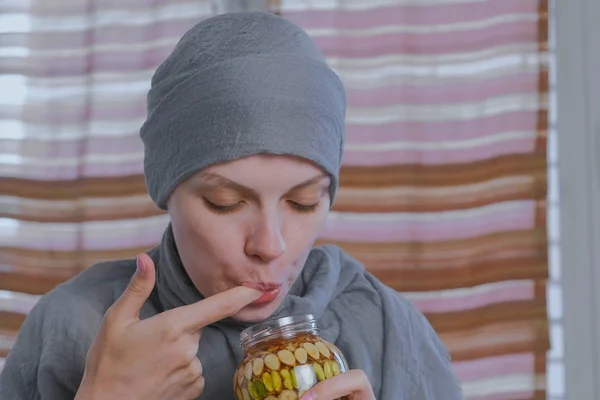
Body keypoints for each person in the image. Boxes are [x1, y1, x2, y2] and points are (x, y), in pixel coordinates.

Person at [0, 11, 463, 400]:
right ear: (167, 190)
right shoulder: (74, 325)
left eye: (302, 202)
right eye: (225, 203)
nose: (270, 245)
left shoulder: (384, 327)